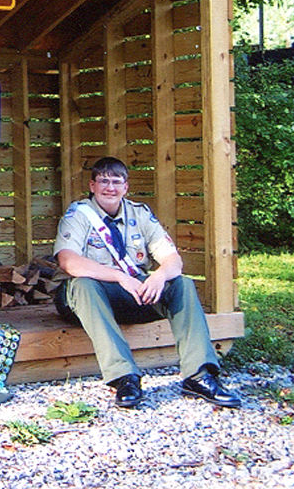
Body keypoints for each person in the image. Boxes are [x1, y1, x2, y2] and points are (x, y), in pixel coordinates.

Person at [53, 156, 241, 409]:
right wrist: (120, 277)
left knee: (182, 284)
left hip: (132, 296)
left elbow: (172, 258)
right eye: (104, 181)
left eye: (116, 182)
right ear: (92, 186)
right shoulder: (79, 215)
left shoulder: (139, 214)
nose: (110, 188)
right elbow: (68, 261)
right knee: (83, 285)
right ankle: (124, 377)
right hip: (89, 299)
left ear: (126, 187)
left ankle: (199, 375)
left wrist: (159, 276)